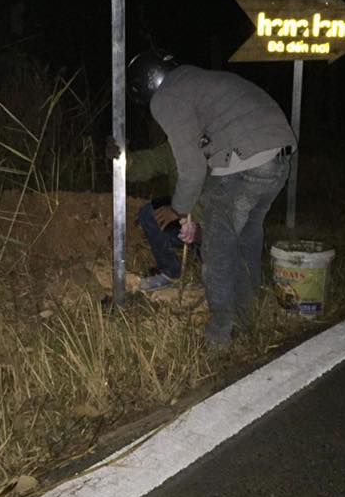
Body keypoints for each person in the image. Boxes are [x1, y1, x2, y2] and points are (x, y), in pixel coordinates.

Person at [123, 48, 297, 348]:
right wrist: (123, 161)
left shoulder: (167, 96)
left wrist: (178, 209)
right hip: (279, 156)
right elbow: (181, 164)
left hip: (245, 161)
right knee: (246, 243)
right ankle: (247, 324)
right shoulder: (197, 84)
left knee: (218, 250)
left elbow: (191, 169)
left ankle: (219, 338)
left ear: (146, 86)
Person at [104, 135, 202, 291]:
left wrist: (180, 210)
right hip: (185, 218)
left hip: (212, 222)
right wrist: (123, 157)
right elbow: (146, 164)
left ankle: (204, 259)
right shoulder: (176, 145)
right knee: (149, 214)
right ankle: (171, 273)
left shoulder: (217, 142)